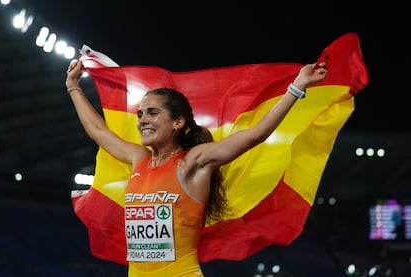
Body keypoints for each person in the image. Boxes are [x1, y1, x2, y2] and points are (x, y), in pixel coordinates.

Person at [65, 59, 328, 277]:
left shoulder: (193, 162)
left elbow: (254, 135)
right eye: (141, 114)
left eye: (152, 113)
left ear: (178, 123)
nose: (143, 120)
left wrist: (297, 87)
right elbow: (97, 131)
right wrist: (73, 87)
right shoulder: (138, 159)